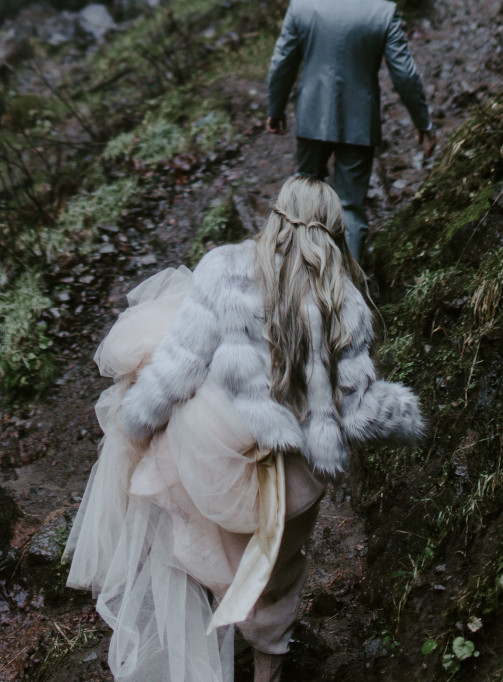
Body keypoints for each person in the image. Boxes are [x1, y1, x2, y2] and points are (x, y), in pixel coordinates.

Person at [65, 176, 423, 682]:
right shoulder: (345, 297)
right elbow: (358, 408)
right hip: (294, 469)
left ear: (276, 215)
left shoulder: (225, 268)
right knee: (278, 567)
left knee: (199, 535)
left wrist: (138, 419)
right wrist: (406, 416)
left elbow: (179, 368)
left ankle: (210, 628)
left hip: (218, 448)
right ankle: (267, 663)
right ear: (333, 229)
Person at [266, 0, 432, 265]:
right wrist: (423, 122)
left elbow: (282, 62)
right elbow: (405, 74)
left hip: (311, 117)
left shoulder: (302, 3)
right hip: (359, 123)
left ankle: (296, 278)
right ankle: (349, 291)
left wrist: (276, 109)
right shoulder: (384, 12)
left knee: (301, 202)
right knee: (351, 208)